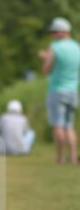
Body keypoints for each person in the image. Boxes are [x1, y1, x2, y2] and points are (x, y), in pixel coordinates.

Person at [39, 17, 80, 164]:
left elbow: (46, 70)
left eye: (55, 32)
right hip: (73, 91)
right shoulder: (77, 47)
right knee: (69, 125)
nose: (53, 34)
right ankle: (74, 157)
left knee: (58, 125)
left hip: (57, 90)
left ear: (63, 32)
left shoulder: (55, 47)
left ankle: (60, 158)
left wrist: (45, 58)